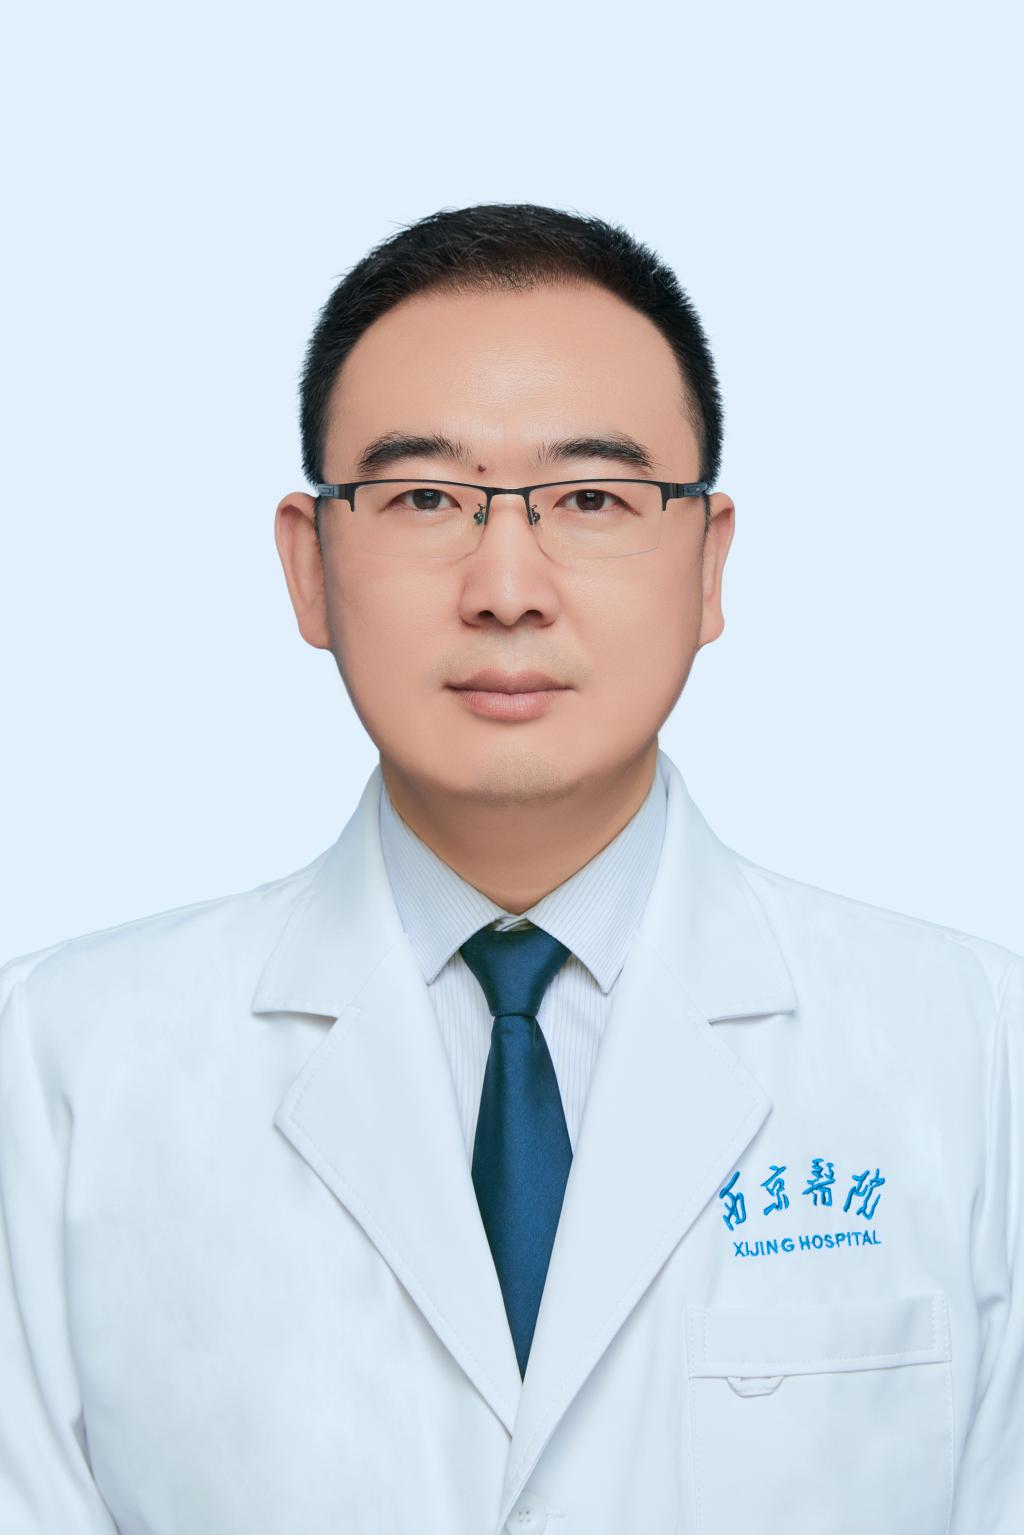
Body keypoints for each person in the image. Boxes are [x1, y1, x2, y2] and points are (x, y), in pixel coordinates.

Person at [0, 203, 1020, 1535]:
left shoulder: (975, 1048)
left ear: (709, 563)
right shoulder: (58, 1062)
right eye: (424, 497)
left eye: (591, 498)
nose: (506, 587)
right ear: (310, 567)